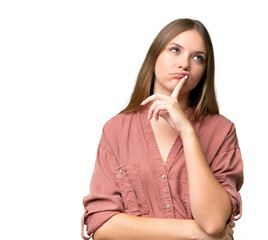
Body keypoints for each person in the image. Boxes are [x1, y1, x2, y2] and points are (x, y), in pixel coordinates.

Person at [81, 18, 244, 240]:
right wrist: (194, 232)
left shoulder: (222, 131)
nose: (185, 64)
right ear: (154, 56)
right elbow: (102, 226)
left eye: (198, 58)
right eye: (175, 50)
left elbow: (214, 221)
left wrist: (187, 132)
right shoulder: (116, 130)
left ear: (205, 70)